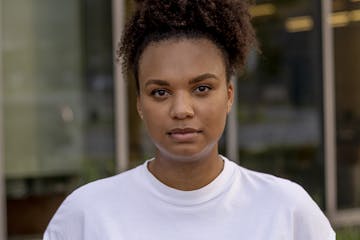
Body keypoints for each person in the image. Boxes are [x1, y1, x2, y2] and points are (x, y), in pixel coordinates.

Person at [44, 0, 336, 239]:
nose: (182, 109)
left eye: (202, 88)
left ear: (229, 95)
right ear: (139, 104)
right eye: (160, 91)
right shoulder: (87, 215)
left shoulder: (286, 210)